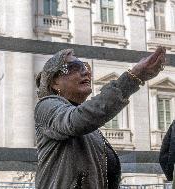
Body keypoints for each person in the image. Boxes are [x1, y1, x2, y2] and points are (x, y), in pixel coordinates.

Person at [34, 47, 166, 189]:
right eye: (74, 67)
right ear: (54, 82)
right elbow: (78, 120)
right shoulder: (46, 106)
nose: (85, 72)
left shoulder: (91, 128)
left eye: (85, 66)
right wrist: (133, 77)